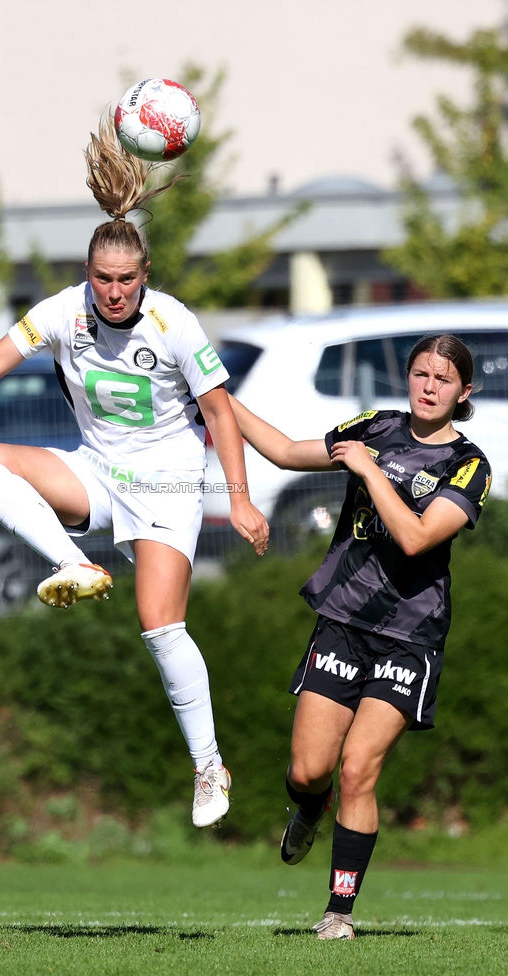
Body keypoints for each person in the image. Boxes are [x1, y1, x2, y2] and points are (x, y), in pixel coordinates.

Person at [0, 116, 269, 829]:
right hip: (97, 471)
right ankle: (75, 566)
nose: (114, 291)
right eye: (103, 279)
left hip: (168, 483)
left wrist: (241, 502)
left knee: (160, 627)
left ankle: (208, 765)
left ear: (145, 277)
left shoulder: (175, 323)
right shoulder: (63, 313)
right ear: (86, 275)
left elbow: (220, 414)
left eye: (126, 280)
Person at [229, 334, 491, 938]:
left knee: (358, 769)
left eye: (443, 380)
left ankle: (338, 914)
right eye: (421, 374)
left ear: (463, 392)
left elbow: (418, 538)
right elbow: (286, 452)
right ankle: (306, 807)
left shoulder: (469, 465)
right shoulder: (374, 426)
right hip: (343, 622)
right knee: (307, 770)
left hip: (409, 635)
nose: (429, 387)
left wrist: (369, 470)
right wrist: (216, 392)